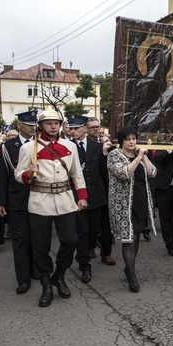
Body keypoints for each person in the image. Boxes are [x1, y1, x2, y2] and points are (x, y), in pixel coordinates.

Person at [15, 107, 88, 308]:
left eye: (56, 123)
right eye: (49, 123)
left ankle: (59, 275)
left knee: (70, 240)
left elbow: (77, 174)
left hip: (65, 200)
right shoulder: (29, 148)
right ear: (41, 126)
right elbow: (17, 173)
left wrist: (82, 196)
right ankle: (46, 285)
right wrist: (28, 175)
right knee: (40, 247)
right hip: (40, 201)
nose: (53, 126)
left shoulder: (70, 146)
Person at [107, 127, 157, 292]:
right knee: (129, 238)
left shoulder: (139, 155)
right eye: (128, 139)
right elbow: (124, 173)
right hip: (123, 204)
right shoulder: (114, 155)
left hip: (140, 201)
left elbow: (152, 173)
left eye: (134, 139)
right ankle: (132, 275)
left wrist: (144, 158)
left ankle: (129, 267)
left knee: (136, 235)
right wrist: (138, 158)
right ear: (121, 140)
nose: (132, 142)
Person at [0, 110, 37, 294]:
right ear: (19, 125)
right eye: (28, 124)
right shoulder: (7, 147)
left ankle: (36, 270)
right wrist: (0, 202)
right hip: (16, 200)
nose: (32, 127)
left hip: (38, 198)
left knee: (37, 239)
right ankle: (23, 279)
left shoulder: (40, 144)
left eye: (34, 124)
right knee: (20, 240)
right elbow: (2, 176)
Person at [68, 115, 112, 284]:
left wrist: (105, 153)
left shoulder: (96, 147)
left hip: (96, 196)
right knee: (82, 231)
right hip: (77, 196)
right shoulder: (68, 147)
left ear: (84, 129)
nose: (73, 131)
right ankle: (84, 263)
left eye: (76, 128)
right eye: (71, 129)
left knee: (93, 229)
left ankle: (90, 249)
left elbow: (103, 171)